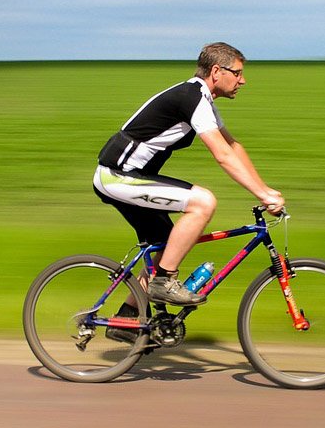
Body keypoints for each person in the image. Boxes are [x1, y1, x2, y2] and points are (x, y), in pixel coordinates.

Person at [93, 42, 285, 329]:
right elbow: (221, 155)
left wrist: (266, 190)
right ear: (217, 71)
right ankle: (165, 281)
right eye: (238, 73)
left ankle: (126, 321)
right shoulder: (192, 97)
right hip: (117, 176)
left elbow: (233, 147)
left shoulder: (202, 99)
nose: (242, 80)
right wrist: (261, 194)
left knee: (168, 245)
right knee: (203, 202)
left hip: (129, 177)